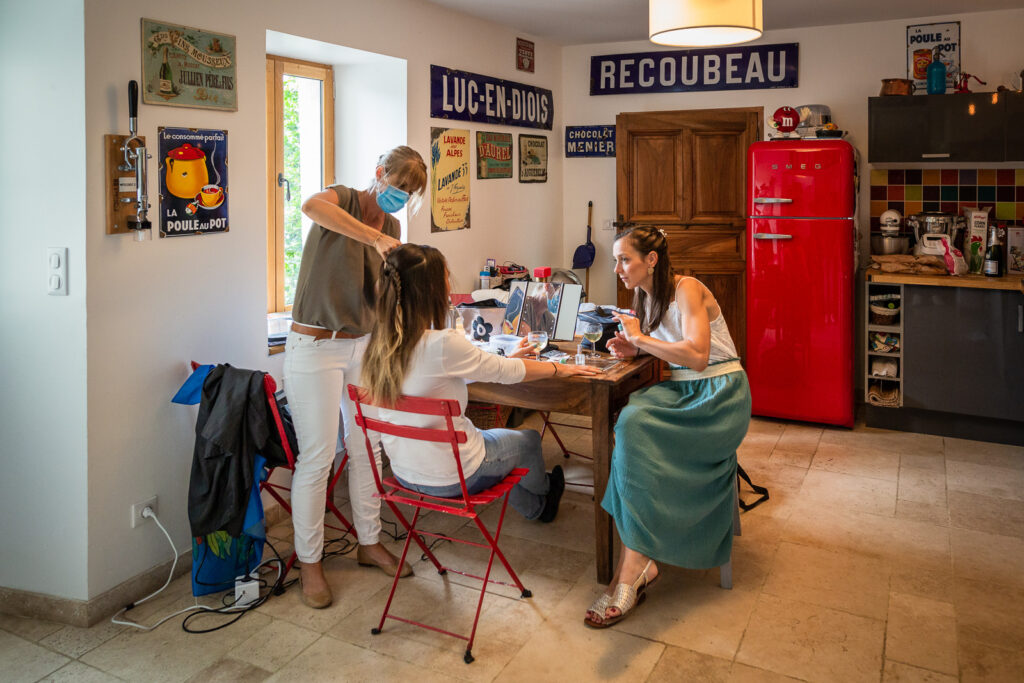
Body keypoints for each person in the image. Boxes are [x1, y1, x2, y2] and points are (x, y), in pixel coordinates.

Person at [584, 226, 752, 628]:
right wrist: (631, 345)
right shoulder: (643, 296)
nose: (617, 268)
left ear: (651, 260)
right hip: (682, 392)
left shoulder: (687, 288)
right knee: (629, 421)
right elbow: (662, 352)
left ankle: (633, 569)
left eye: (625, 259)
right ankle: (639, 563)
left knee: (634, 425)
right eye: (615, 260)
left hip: (719, 396)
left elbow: (696, 356)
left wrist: (641, 338)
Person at [360, 244, 602, 522]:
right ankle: (545, 497)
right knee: (529, 440)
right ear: (430, 290)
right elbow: (506, 373)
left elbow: (449, 372)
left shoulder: (378, 344)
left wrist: (507, 356)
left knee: (500, 447)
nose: (449, 284)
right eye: (446, 277)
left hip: (405, 473)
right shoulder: (442, 343)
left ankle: (535, 504)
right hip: (456, 475)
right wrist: (557, 369)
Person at [283, 146, 427, 609]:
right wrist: (373, 237)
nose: (400, 198)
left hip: (362, 347)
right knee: (319, 456)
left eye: (409, 193)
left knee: (368, 446)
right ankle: (310, 562)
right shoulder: (341, 200)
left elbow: (386, 293)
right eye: (398, 187)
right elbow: (309, 207)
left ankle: (369, 541)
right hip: (315, 347)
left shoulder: (395, 228)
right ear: (379, 173)